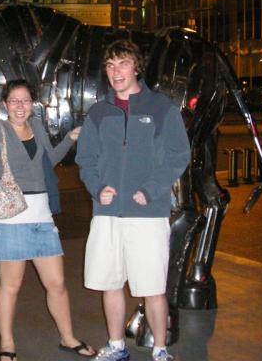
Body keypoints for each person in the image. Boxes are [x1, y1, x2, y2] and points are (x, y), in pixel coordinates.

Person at [75, 39, 190, 361]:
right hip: (108, 213)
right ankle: (116, 346)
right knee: (109, 283)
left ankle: (160, 350)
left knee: (152, 288)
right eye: (110, 66)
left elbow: (178, 154)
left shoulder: (161, 107)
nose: (116, 72)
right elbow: (85, 158)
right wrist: (97, 188)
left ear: (136, 67)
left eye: (122, 64)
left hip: (148, 213)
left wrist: (152, 189)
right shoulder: (99, 112)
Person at [0, 80, 96, 361]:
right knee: (11, 285)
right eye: (14, 101)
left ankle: (67, 338)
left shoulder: (38, 127)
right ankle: (7, 345)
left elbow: (49, 160)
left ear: (32, 104)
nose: (20, 106)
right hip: (10, 217)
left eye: (25, 101)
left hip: (41, 215)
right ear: (5, 105)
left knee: (56, 283)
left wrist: (71, 137)